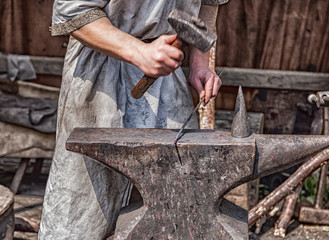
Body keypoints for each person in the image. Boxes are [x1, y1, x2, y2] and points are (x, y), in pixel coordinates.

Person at [39, 0, 227, 239]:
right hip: (101, 75)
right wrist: (140, 52)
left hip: (166, 78)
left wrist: (200, 64)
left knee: (172, 202)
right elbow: (72, 10)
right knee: (85, 208)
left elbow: (208, 5)